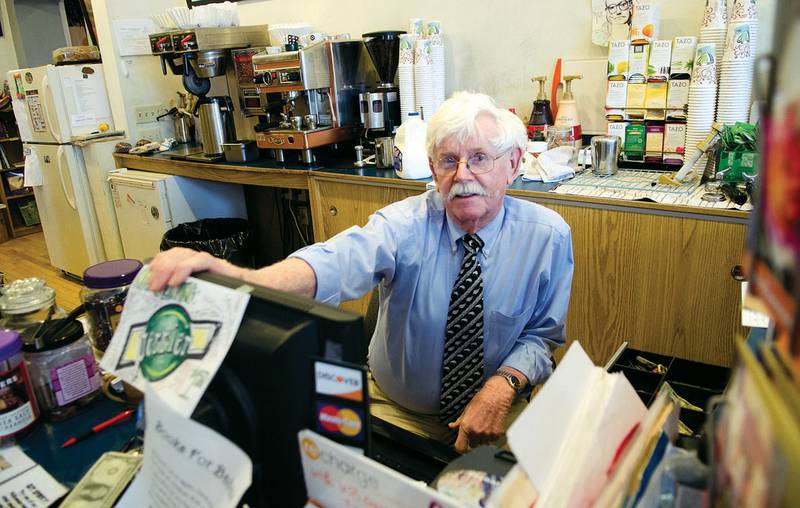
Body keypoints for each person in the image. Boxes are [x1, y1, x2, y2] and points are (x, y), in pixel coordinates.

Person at [149, 91, 574, 453]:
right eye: (448, 161)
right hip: (397, 411)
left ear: (513, 163)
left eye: (479, 159)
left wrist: (501, 387)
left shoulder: (548, 238)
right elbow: (334, 262)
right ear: (432, 170)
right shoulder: (405, 224)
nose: (462, 176)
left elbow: (541, 336)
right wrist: (241, 278)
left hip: (497, 406)